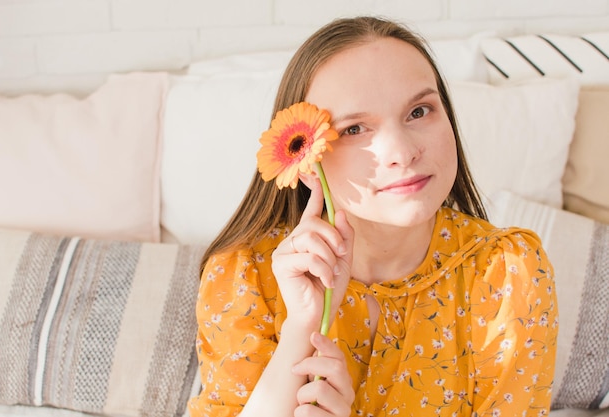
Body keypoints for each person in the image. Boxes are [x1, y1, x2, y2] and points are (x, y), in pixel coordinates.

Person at [188, 16, 558, 417]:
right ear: (305, 161)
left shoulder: (506, 274)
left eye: (419, 111)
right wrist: (301, 327)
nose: (402, 151)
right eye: (354, 129)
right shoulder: (244, 275)